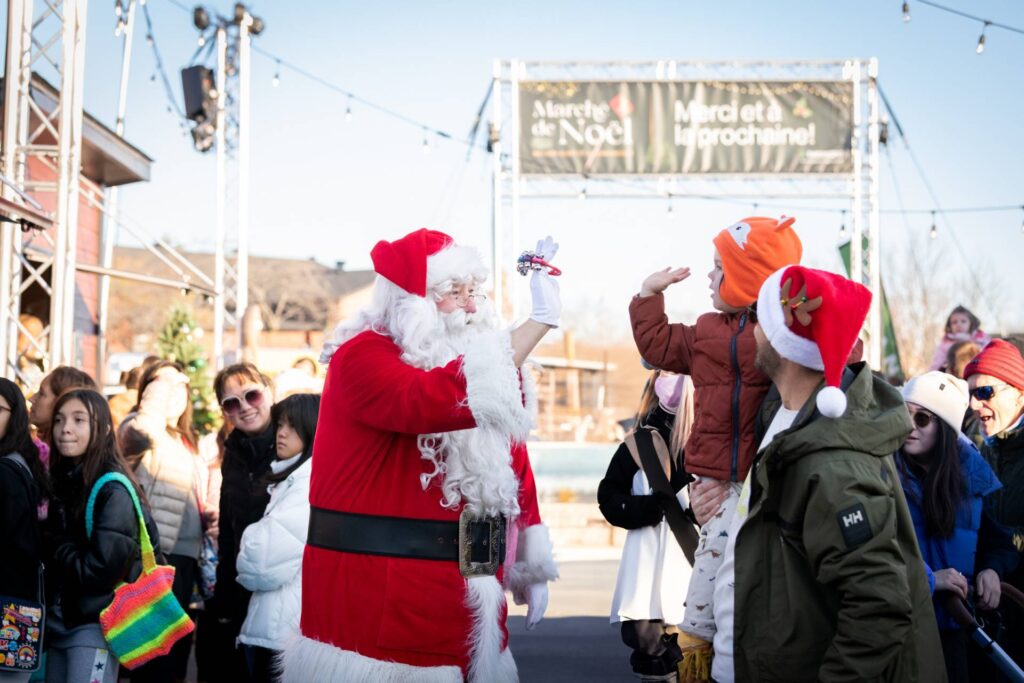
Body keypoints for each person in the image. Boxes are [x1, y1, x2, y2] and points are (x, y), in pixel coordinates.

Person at [281, 229, 560, 682]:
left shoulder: (475, 366)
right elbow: (426, 400)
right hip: (383, 597)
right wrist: (534, 326)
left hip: (471, 597)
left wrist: (529, 562)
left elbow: (512, 463)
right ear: (413, 303)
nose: (472, 306)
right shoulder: (361, 358)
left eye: (474, 291)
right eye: (455, 292)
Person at [709, 264, 943, 682]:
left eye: (762, 320)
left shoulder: (835, 466)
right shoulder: (786, 415)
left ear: (784, 344)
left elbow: (879, 606)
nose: (754, 331)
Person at [629, 215, 802, 669]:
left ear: (747, 278)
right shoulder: (707, 331)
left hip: (756, 486)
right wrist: (648, 295)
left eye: (720, 267)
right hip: (712, 484)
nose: (709, 276)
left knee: (730, 594)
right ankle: (701, 658)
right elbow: (657, 345)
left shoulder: (784, 338)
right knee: (712, 589)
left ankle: (709, 657)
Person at [895, 371, 1017, 682]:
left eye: (922, 418)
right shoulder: (883, 476)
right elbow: (875, 556)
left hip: (958, 633)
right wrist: (930, 580)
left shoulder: (971, 479)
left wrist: (992, 570)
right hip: (902, 632)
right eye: (904, 415)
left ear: (945, 428)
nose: (910, 426)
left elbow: (999, 543)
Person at [43, 389, 161, 683]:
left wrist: (53, 542)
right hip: (62, 623)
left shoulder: (112, 489)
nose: (65, 428)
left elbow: (99, 571)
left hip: (95, 626)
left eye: (78, 419)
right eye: (59, 419)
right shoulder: (65, 479)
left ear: (104, 429)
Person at [599, 371, 693, 682]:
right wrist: (647, 509)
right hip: (646, 578)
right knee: (649, 648)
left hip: (697, 573)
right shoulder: (639, 443)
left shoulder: (712, 440)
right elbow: (609, 497)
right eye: (666, 372)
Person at [117, 361, 203, 683]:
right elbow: (142, 431)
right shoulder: (138, 428)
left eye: (180, 386)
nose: (173, 393)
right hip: (156, 557)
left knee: (176, 656)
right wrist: (164, 380)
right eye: (163, 385)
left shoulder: (186, 439)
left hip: (187, 558)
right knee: (155, 658)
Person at [236, 393, 320, 682]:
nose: (281, 433)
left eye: (293, 426)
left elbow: (259, 563)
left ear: (312, 430)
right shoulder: (293, 479)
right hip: (276, 626)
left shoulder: (305, 485)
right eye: (281, 424)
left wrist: (249, 537)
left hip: (280, 631)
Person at [209, 363, 277, 683]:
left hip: (287, 585)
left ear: (268, 392)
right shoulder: (233, 451)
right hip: (243, 584)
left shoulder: (295, 440)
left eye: (252, 395)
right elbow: (228, 526)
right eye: (232, 403)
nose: (245, 407)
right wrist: (224, 592)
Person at [963, 339, 1024, 666]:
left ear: (1019, 393)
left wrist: (998, 552)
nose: (975, 404)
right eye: (970, 393)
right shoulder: (975, 451)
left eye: (985, 392)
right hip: (992, 611)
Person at [0, 378, 50, 683]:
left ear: (15, 415)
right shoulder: (20, 464)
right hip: (17, 612)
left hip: (8, 610)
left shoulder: (7, 471)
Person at [930, 305, 990, 372]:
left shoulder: (980, 339)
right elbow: (938, 361)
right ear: (949, 325)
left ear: (971, 323)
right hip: (953, 373)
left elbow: (988, 354)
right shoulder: (946, 342)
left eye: (963, 321)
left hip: (977, 370)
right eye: (954, 322)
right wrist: (932, 373)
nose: (958, 325)